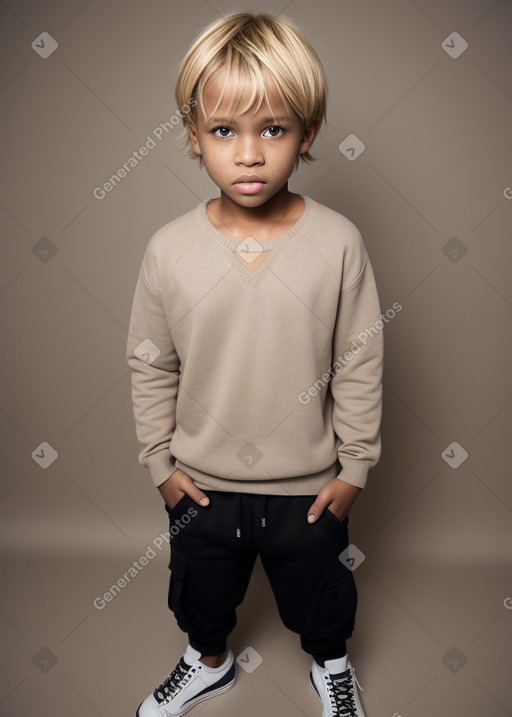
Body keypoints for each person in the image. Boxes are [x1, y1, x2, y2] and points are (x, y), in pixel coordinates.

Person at [126, 11, 383, 717]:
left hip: (309, 487)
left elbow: (360, 360)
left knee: (323, 597)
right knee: (201, 593)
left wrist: (354, 466)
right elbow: (150, 363)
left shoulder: (337, 242)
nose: (248, 154)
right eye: (223, 131)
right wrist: (160, 463)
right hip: (202, 487)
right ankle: (207, 664)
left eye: (273, 129)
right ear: (192, 136)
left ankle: (331, 667)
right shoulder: (168, 249)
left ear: (307, 133)